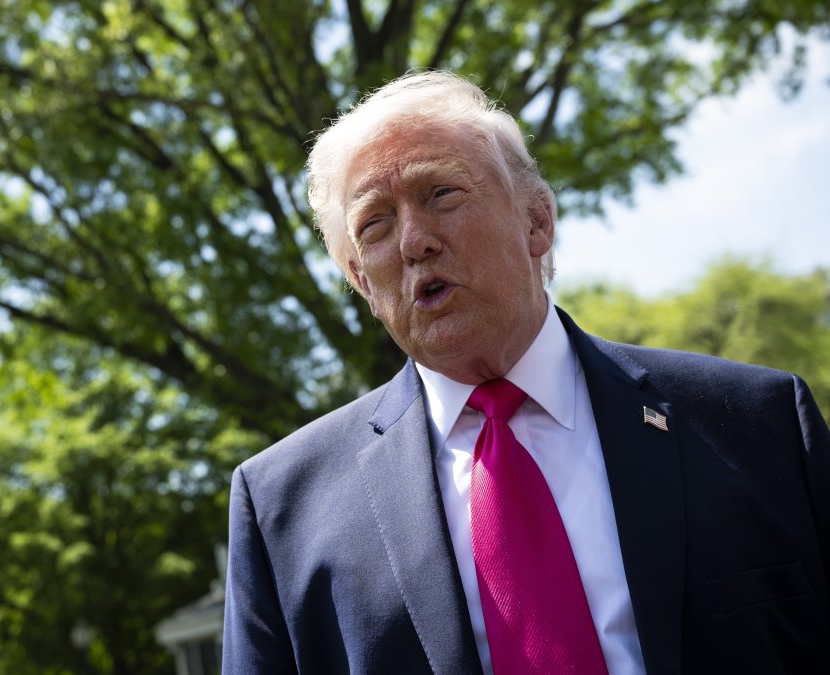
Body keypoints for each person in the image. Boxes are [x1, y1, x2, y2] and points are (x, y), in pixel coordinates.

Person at [222, 70, 830, 675]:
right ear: (360, 280)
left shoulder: (760, 423)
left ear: (537, 221)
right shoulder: (282, 508)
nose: (413, 241)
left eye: (441, 193)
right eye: (375, 224)